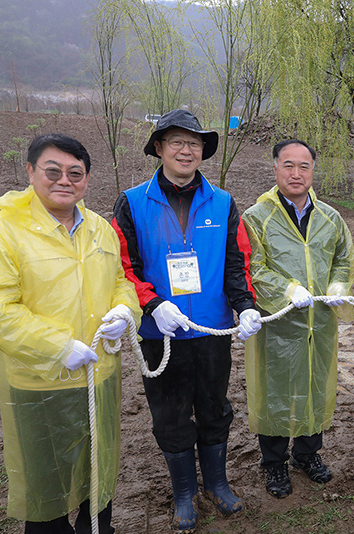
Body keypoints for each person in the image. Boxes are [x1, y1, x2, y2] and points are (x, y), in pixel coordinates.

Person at [0, 134, 141, 533]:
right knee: (47, 486)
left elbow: (120, 280)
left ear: (87, 180)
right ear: (31, 172)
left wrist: (125, 310)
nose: (64, 180)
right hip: (40, 384)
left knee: (98, 473)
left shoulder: (99, 228)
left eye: (75, 173)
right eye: (53, 171)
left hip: (99, 376)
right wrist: (58, 347)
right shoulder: (1, 231)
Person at [112, 109, 260, 532]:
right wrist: (152, 304)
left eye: (194, 143)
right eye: (176, 141)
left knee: (214, 408)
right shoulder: (132, 203)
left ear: (202, 152)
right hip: (161, 333)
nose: (186, 150)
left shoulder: (224, 203)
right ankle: (183, 492)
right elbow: (123, 266)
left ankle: (216, 483)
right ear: (159, 148)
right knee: (171, 415)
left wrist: (246, 304)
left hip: (211, 330)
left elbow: (237, 263)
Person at [242, 139, 354, 498]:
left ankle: (307, 453)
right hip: (277, 323)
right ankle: (274, 461)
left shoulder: (330, 218)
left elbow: (343, 260)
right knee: (275, 390)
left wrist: (337, 286)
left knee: (315, 385)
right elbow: (253, 267)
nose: (296, 173)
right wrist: (288, 289)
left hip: (318, 323)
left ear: (313, 171)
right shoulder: (256, 217)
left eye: (304, 166)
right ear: (275, 168)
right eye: (288, 165)